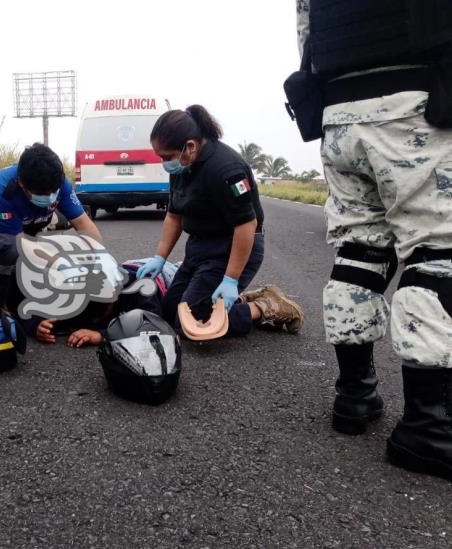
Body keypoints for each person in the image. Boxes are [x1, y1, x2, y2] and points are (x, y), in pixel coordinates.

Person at [294, 1, 452, 480]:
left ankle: (354, 397)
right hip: (418, 100)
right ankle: (429, 428)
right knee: (438, 252)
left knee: (361, 250)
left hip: (339, 112)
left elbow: (306, 29)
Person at [137, 105, 304, 336]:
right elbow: (174, 215)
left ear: (190, 146)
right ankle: (226, 298)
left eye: (166, 157)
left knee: (193, 322)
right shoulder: (182, 167)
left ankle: (266, 306)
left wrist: (230, 279)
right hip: (200, 248)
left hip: (232, 248)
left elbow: (246, 225)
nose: (164, 163)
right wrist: (160, 258)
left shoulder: (227, 169)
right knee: (168, 312)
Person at [0, 143, 103, 309]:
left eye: (53, 192)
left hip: (20, 240)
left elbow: (84, 225)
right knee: (14, 256)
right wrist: (62, 267)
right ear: (21, 184)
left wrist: (101, 261)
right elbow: (22, 247)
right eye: (41, 194)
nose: (50, 198)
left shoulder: (59, 182)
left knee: (66, 251)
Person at [26, 258, 173, 348]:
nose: (95, 320)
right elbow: (30, 313)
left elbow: (153, 326)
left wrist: (101, 335)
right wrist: (37, 326)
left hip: (162, 274)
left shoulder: (139, 289)